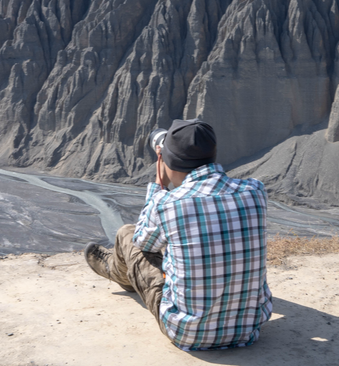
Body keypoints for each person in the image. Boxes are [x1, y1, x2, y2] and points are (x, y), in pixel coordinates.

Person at [84, 118, 273, 350]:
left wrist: (158, 186)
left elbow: (143, 242)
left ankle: (117, 271)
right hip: (248, 329)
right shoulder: (255, 191)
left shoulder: (167, 204)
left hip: (186, 333)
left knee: (127, 234)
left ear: (166, 160)